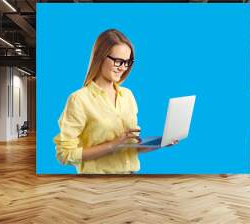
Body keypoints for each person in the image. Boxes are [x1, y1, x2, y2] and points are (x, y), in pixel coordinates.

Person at [53, 29, 177, 174]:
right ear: (100, 57)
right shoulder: (79, 100)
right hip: (98, 186)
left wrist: (160, 142)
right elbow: (64, 155)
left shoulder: (128, 95)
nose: (123, 68)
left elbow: (130, 147)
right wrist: (112, 145)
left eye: (127, 62)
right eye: (118, 61)